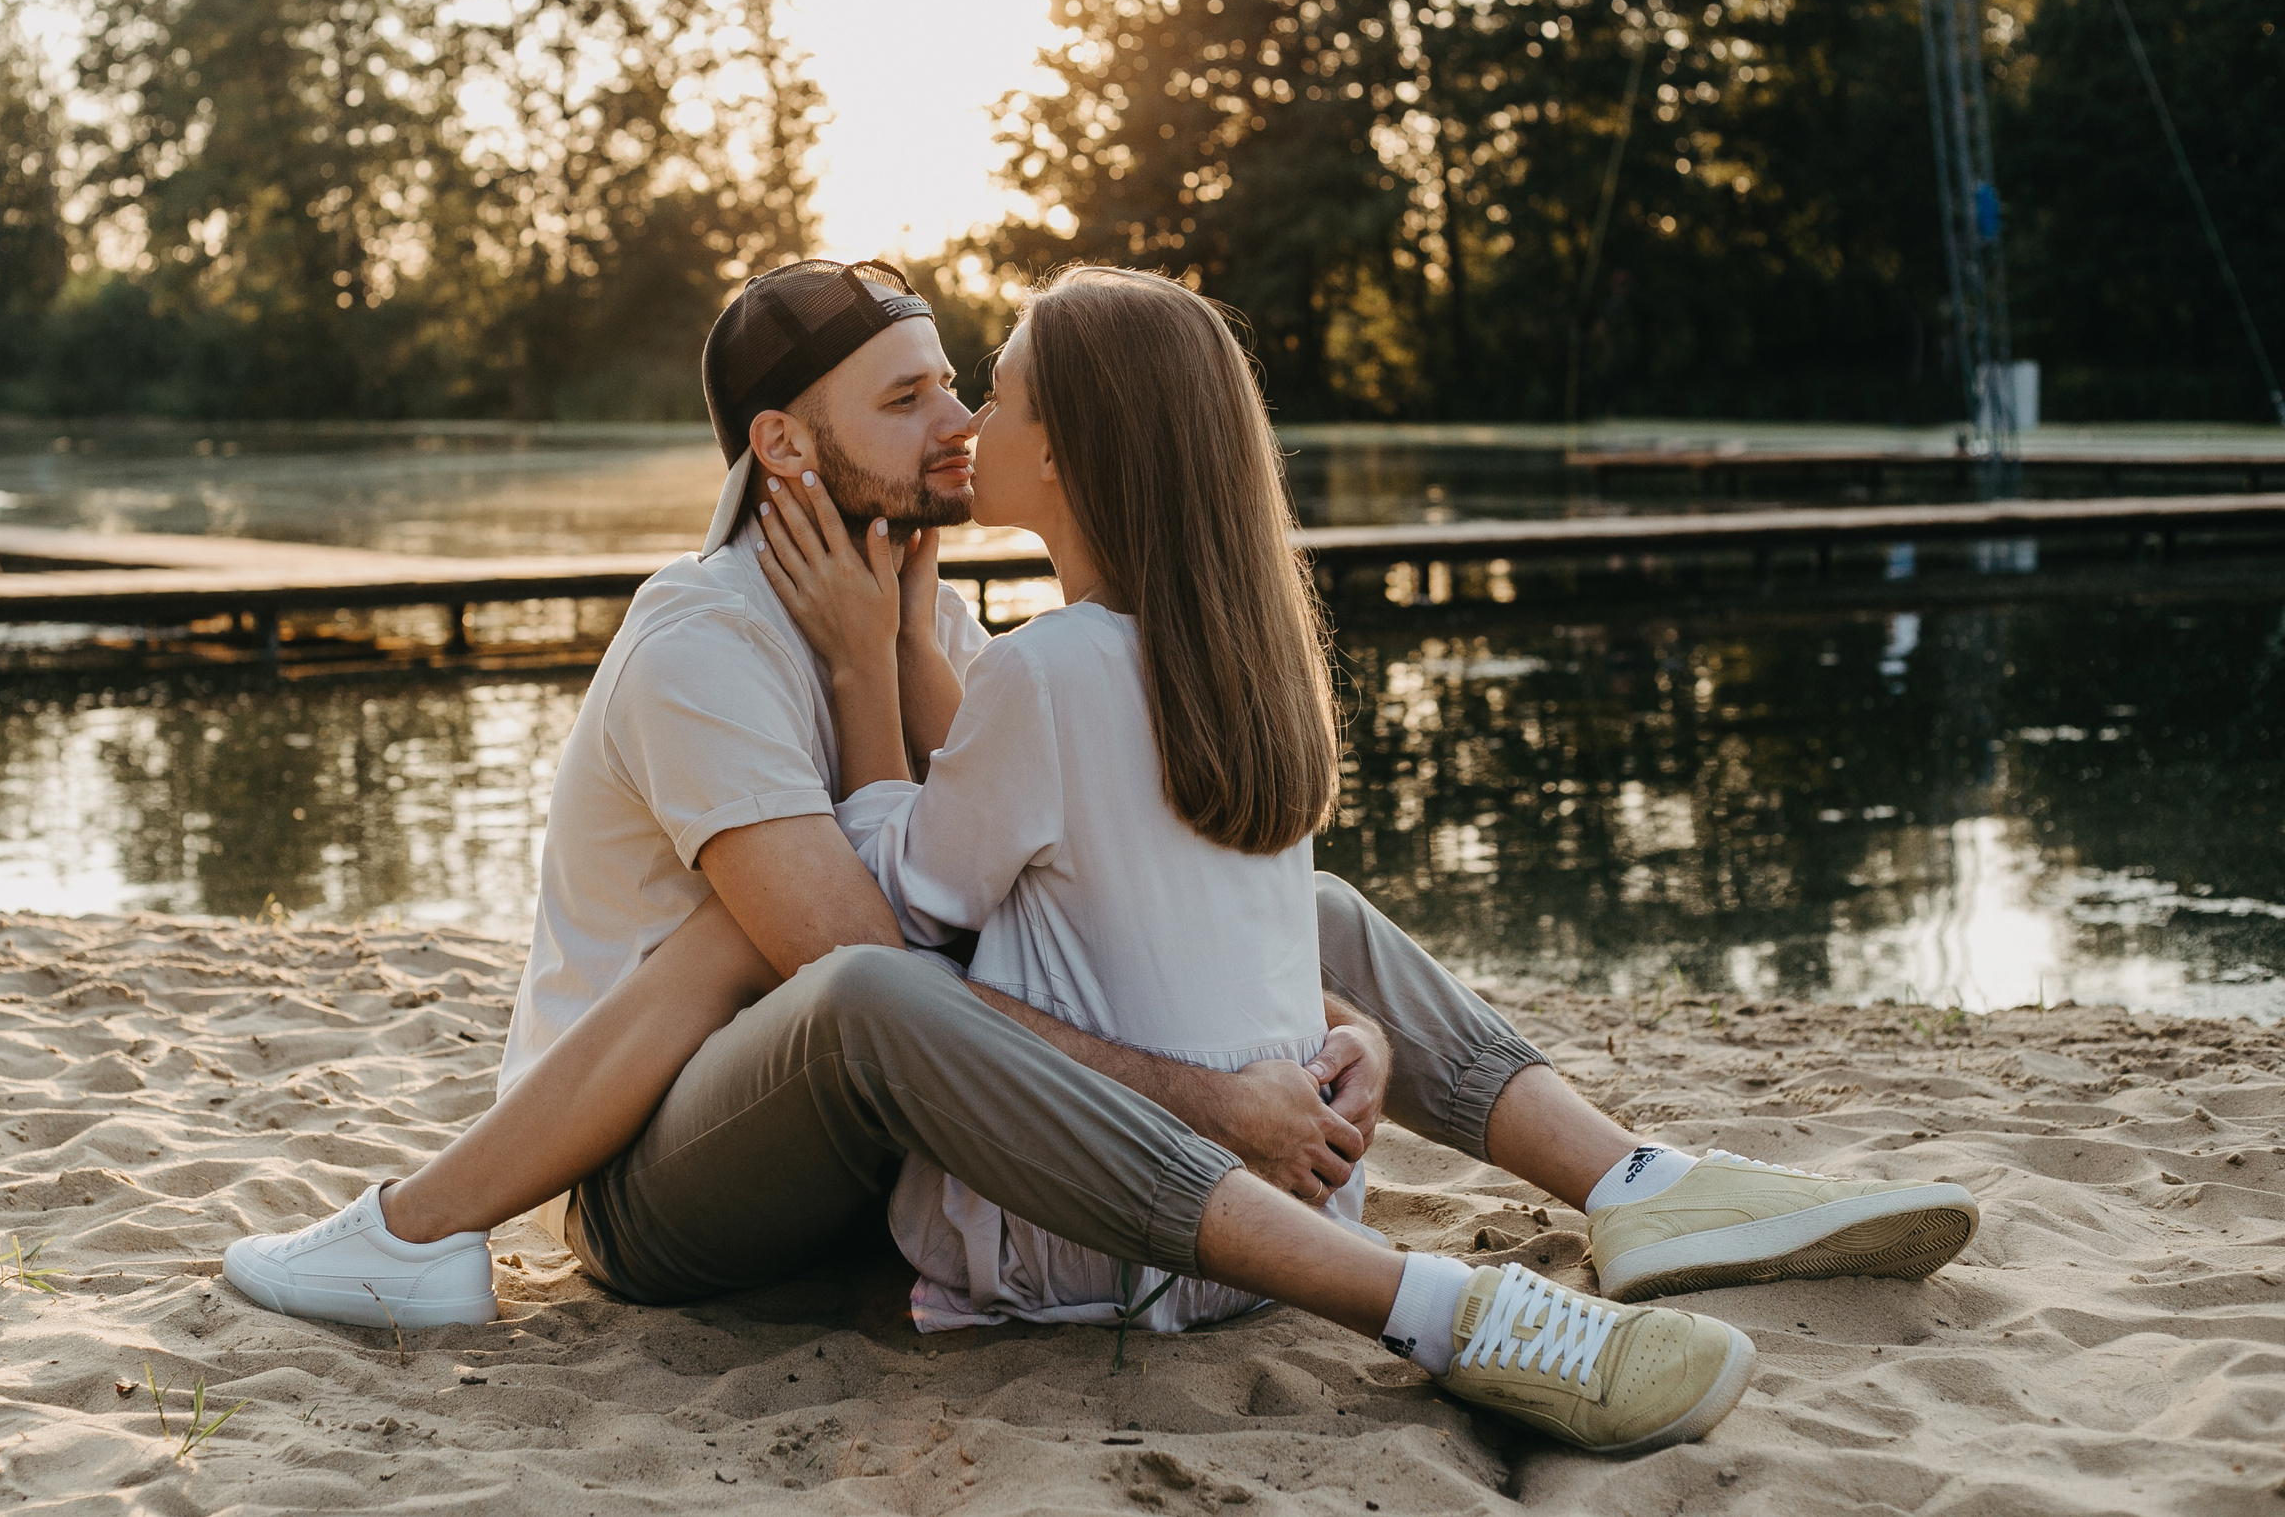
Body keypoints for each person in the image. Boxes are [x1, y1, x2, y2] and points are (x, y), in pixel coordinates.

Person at [222, 258, 1981, 1456]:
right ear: (784, 442)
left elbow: (1092, 891)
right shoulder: (703, 642)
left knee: (1324, 905)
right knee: (858, 991)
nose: (959, 430)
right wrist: (1219, 1095)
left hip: (867, 1149)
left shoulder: (955, 612)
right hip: (660, 1176)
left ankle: (1639, 1189)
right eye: (911, 399)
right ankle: (1431, 1302)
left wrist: (1315, 1022)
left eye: (964, 390)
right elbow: (883, 959)